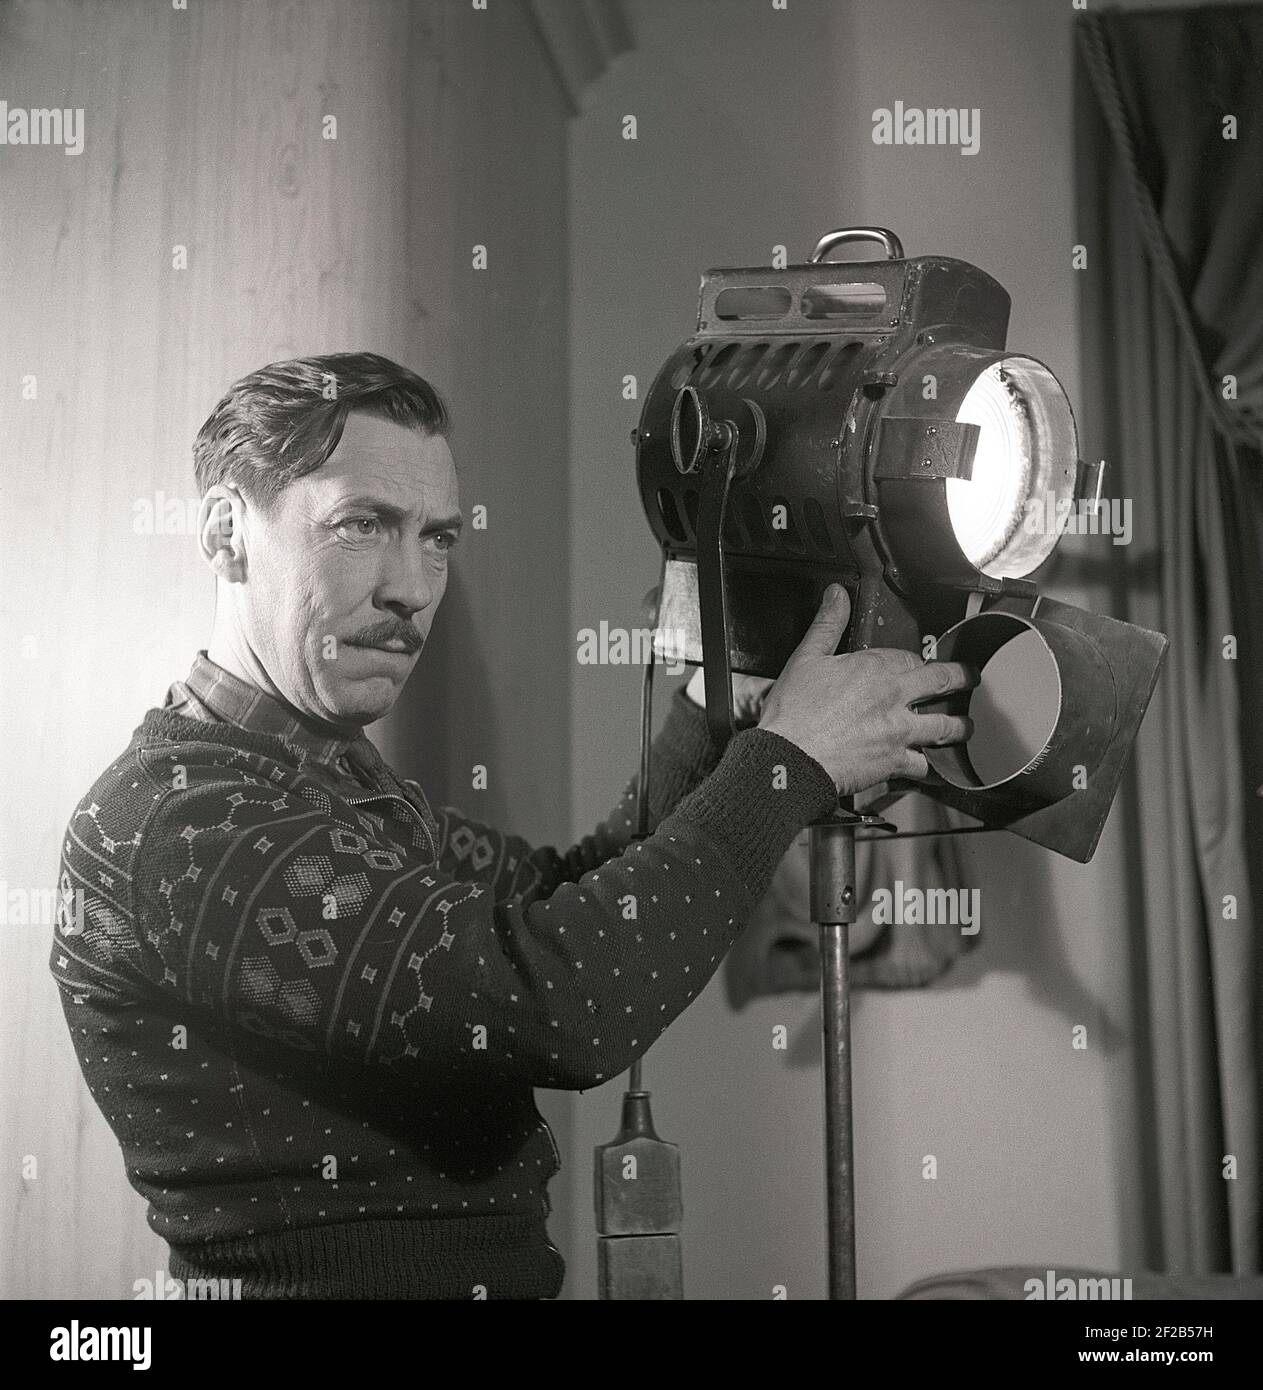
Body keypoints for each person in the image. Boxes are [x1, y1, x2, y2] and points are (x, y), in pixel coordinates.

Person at [49, 352, 974, 1299]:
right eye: (362, 526)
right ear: (226, 531)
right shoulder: (183, 822)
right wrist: (788, 766)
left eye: (438, 538)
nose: (412, 586)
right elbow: (554, 1004)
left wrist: (717, 708)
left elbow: (558, 895)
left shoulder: (318, 782)